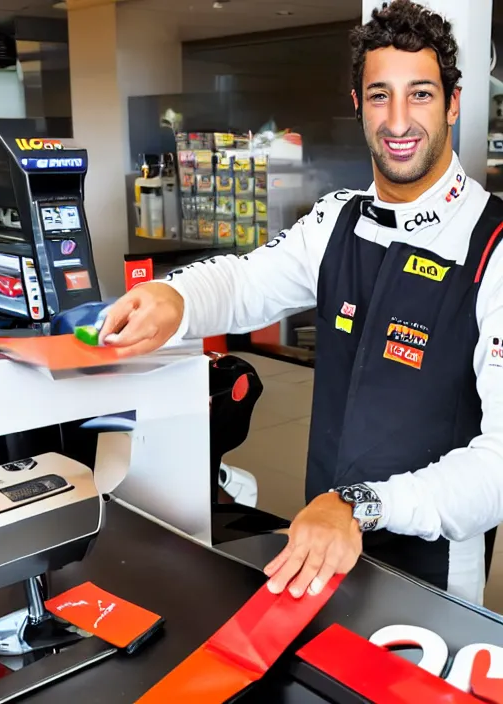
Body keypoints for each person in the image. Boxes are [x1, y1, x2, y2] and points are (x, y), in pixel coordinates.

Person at [99, 0, 503, 607]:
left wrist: (363, 506)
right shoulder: (336, 220)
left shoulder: (492, 245)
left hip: (435, 581)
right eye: (378, 95)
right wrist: (174, 295)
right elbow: (244, 282)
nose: (398, 120)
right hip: (321, 554)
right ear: (357, 104)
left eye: (419, 94)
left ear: (453, 103)